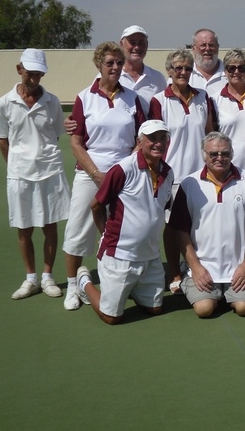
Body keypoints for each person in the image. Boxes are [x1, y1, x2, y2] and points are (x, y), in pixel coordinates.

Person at [61, 41, 147, 311]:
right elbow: (76, 144)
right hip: (90, 174)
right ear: (99, 64)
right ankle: (74, 285)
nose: (115, 68)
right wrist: (97, 174)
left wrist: (126, 169)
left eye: (119, 63)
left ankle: (121, 281)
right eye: (109, 63)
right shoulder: (84, 97)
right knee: (77, 230)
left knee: (120, 231)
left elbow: (140, 139)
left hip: (125, 177)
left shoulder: (132, 98)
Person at [76, 120, 174, 325]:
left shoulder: (168, 172)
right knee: (111, 318)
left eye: (162, 138)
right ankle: (84, 281)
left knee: (155, 309)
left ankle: (132, 288)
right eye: (152, 139)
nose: (158, 143)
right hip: (119, 254)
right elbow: (96, 205)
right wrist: (105, 235)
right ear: (140, 141)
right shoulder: (122, 169)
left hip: (150, 256)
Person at [0, 48, 71, 300]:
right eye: (30, 72)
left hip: (50, 170)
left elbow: (56, 135)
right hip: (19, 174)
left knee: (50, 226)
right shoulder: (5, 102)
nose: (34, 78)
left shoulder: (53, 101)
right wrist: (16, 164)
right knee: (24, 228)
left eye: (39, 73)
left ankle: (47, 277)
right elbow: (2, 140)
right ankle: (30, 279)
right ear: (19, 69)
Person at [167, 132, 245, 317]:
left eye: (225, 153)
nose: (220, 158)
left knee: (244, 308)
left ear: (232, 154)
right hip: (204, 268)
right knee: (204, 309)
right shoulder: (189, 184)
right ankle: (192, 278)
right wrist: (197, 268)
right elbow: (181, 231)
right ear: (204, 155)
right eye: (213, 154)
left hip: (239, 268)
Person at [148, 49, 215, 292]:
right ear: (170, 71)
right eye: (178, 68)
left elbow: (210, 135)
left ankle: (197, 268)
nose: (183, 72)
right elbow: (155, 140)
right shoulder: (159, 100)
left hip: (201, 175)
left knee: (200, 223)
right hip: (172, 175)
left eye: (187, 68)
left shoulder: (203, 97)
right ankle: (174, 272)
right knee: (173, 227)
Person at [63, 25, 161, 133]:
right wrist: (73, 120)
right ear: (122, 44)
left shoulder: (158, 78)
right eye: (132, 42)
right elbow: (93, 106)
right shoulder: (105, 76)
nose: (137, 47)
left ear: (147, 45)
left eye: (141, 42)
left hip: (146, 142)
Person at [211, 49, 245, 171]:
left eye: (241, 68)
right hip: (227, 167)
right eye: (231, 68)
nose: (236, 72)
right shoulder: (214, 100)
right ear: (225, 71)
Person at [190, 28, 228, 95]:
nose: (207, 49)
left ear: (218, 47)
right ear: (193, 49)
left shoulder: (231, 74)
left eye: (211, 45)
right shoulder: (183, 74)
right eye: (203, 45)